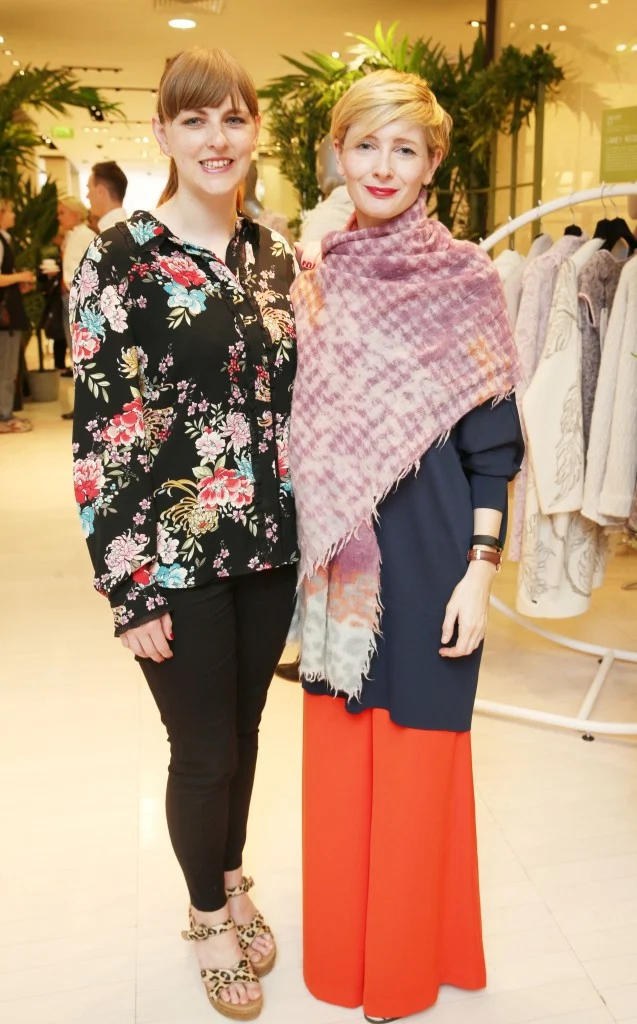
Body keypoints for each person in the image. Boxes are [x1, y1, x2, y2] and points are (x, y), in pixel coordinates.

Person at [289, 69, 524, 1023]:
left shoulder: (466, 279)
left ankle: (402, 967)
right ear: (337, 155)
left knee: (422, 760)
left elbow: (492, 446)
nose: (382, 166)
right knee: (342, 758)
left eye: (404, 148)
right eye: (365, 145)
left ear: (432, 164)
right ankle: (339, 959)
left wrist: (480, 572)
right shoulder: (313, 277)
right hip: (340, 572)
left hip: (431, 562)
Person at [70, 47, 298, 1020]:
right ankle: (206, 916)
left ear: (255, 132)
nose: (216, 138)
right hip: (175, 553)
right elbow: (100, 432)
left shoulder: (274, 251)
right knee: (201, 750)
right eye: (195, 120)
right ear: (163, 132)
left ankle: (232, 873)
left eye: (233, 118)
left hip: (271, 543)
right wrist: (128, 589)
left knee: (244, 733)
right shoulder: (119, 256)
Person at [0, 199, 34, 434]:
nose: (14, 215)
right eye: (10, 211)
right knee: (6, 368)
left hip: (7, 315)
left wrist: (16, 284)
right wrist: (21, 276)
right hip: (5, 319)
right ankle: (3, 416)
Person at [58, 197, 95, 391]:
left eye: (62, 213)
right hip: (69, 297)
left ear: (75, 213)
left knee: (81, 350)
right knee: (73, 348)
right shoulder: (71, 235)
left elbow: (93, 267)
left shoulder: (86, 235)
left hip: (79, 299)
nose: (59, 218)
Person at [86, 160, 128, 231]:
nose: (87, 196)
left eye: (89, 189)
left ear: (100, 191)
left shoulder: (110, 232)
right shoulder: (130, 229)